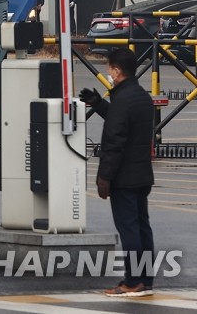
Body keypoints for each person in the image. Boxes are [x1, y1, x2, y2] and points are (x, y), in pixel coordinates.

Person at [79, 48, 156, 298]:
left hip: (124, 177)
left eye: (109, 68)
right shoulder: (141, 97)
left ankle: (132, 281)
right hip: (142, 175)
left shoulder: (123, 100)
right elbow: (123, 120)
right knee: (142, 227)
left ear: (117, 70)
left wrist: (105, 177)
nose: (107, 72)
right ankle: (144, 279)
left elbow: (114, 141)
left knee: (129, 229)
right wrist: (100, 104)